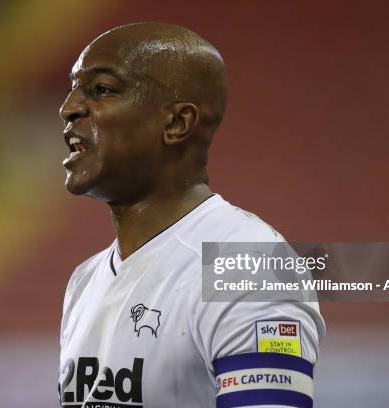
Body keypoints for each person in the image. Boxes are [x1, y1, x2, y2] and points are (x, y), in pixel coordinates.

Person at [58, 22, 325, 408]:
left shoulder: (248, 265)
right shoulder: (84, 282)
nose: (68, 108)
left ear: (176, 123)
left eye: (101, 90)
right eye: (73, 88)